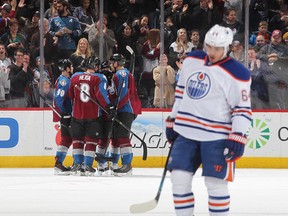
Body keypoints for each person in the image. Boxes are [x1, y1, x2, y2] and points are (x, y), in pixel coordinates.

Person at [165, 24, 252, 216]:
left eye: (217, 48)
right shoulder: (192, 60)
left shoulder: (238, 73)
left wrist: (238, 136)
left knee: (215, 184)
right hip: (186, 133)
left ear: (227, 47)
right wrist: (173, 119)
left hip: (217, 137)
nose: (212, 52)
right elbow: (181, 93)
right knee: (178, 179)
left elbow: (242, 109)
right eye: (209, 46)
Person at [68, 56, 113, 176]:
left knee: (77, 140)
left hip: (77, 114)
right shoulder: (99, 78)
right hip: (93, 115)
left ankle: (77, 165)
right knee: (91, 141)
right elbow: (101, 96)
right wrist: (109, 107)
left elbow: (71, 95)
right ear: (96, 67)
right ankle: (88, 166)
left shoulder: (75, 77)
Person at [100, 53, 141, 176]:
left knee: (122, 137)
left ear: (117, 63)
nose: (111, 65)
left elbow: (123, 94)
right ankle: (117, 163)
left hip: (125, 109)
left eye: (112, 62)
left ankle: (127, 165)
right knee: (117, 137)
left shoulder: (121, 74)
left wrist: (116, 107)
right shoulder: (119, 74)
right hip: (124, 108)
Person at [53, 59, 73, 175]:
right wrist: (63, 113)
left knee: (67, 139)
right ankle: (62, 163)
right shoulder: (64, 81)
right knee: (71, 138)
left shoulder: (64, 80)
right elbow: (58, 100)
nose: (72, 68)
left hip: (67, 114)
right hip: (67, 115)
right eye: (70, 66)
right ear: (67, 68)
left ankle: (59, 163)